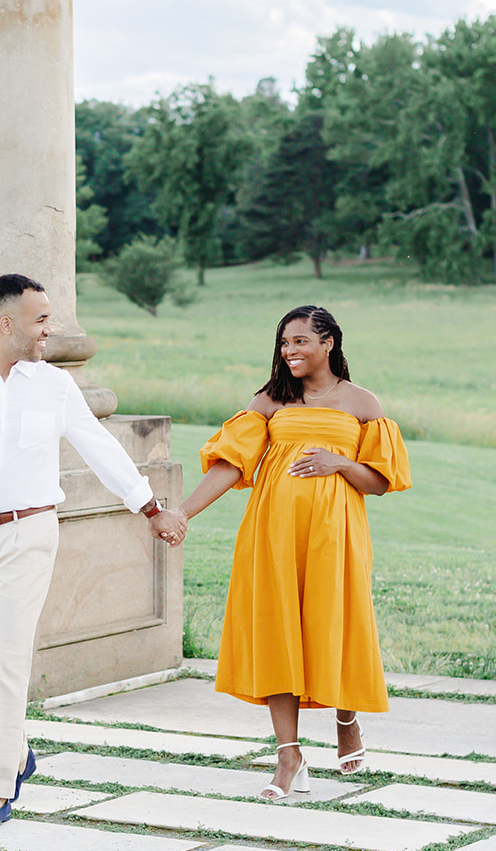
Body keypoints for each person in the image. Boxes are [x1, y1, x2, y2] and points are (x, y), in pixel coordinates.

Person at [0, 273, 184, 827]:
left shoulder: (53, 385)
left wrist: (148, 506)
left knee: (5, 658)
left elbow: (98, 445)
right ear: (8, 323)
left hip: (29, 534)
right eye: (41, 319)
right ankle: (19, 749)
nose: (50, 329)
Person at [172, 304, 410, 798]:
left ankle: (346, 715)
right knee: (278, 631)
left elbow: (381, 482)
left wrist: (339, 461)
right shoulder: (271, 400)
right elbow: (230, 465)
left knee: (333, 625)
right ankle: (289, 755)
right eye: (284, 343)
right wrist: (183, 513)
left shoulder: (362, 403)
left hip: (335, 534)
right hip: (273, 533)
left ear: (328, 343)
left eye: (301, 340)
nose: (290, 351)